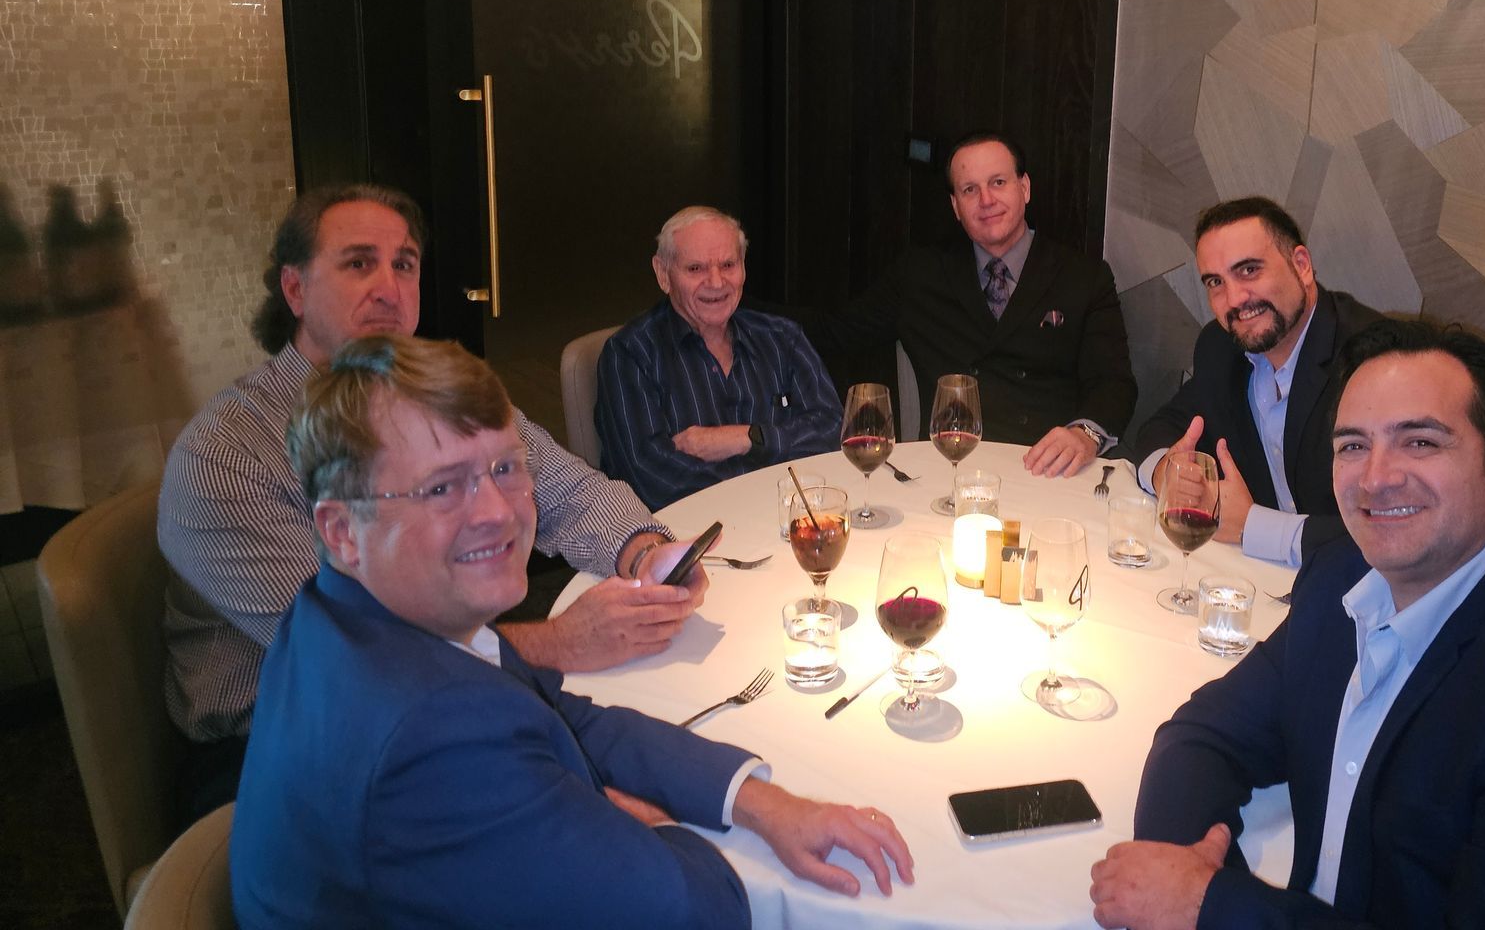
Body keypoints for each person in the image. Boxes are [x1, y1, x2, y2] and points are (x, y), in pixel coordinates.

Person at [230, 334, 912, 927]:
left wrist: (761, 801)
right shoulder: (434, 739)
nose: (498, 513)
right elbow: (700, 913)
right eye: (442, 488)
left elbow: (564, 716)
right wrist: (642, 824)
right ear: (342, 531)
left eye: (504, 468)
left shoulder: (339, 615)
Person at [1091, 318, 1485, 930]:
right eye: (1353, 445)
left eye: (1421, 442)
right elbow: (1204, 735)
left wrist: (1212, 906)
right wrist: (1177, 867)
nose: (1377, 478)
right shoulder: (1345, 581)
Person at [159, 184, 703, 823]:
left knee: (669, 771)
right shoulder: (227, 455)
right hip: (281, 745)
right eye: (359, 262)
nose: (389, 286)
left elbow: (567, 489)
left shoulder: (438, 395)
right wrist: (562, 641)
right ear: (295, 289)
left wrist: (644, 555)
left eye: (405, 264)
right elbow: (360, 655)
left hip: (446, 686)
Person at [809, 132, 1135, 476]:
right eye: (969, 190)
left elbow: (1114, 383)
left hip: (1046, 473)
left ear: (1024, 188)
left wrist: (1083, 434)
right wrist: (744, 303)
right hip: (947, 473)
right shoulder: (920, 275)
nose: (986, 200)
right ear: (955, 206)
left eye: (998, 182)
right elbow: (835, 330)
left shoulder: (1084, 277)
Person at [1129, 197, 1380, 567]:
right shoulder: (1221, 347)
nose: (1234, 300)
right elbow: (1165, 425)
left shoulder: (1376, 362)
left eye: (1248, 271)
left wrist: (1254, 527)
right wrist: (1167, 472)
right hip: (1259, 580)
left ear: (1302, 265)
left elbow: (1404, 525)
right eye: (1216, 282)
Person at [595, 206, 841, 508]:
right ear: (663, 274)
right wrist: (760, 493)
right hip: (687, 543)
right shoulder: (630, 354)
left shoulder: (782, 339)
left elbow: (832, 431)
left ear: (744, 268)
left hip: (789, 524)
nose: (715, 282)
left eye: (727, 265)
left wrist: (748, 437)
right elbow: (650, 477)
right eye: (695, 269)